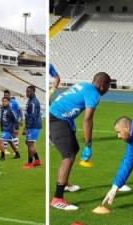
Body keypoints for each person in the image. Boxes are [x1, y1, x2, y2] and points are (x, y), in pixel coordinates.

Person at [49, 72, 111, 210]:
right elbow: (88, 120)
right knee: (68, 156)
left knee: (74, 149)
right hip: (57, 119)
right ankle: (57, 198)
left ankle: (64, 184)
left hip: (58, 116)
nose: (108, 89)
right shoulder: (94, 94)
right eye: (108, 86)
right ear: (102, 85)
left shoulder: (84, 85)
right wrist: (88, 145)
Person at [22, 86, 42, 169]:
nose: (27, 93)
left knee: (30, 144)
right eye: (26, 91)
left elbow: (32, 116)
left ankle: (30, 163)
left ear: (34, 92)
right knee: (28, 143)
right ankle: (37, 160)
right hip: (32, 125)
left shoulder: (33, 102)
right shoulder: (30, 101)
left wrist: (26, 127)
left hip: (33, 126)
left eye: (29, 91)